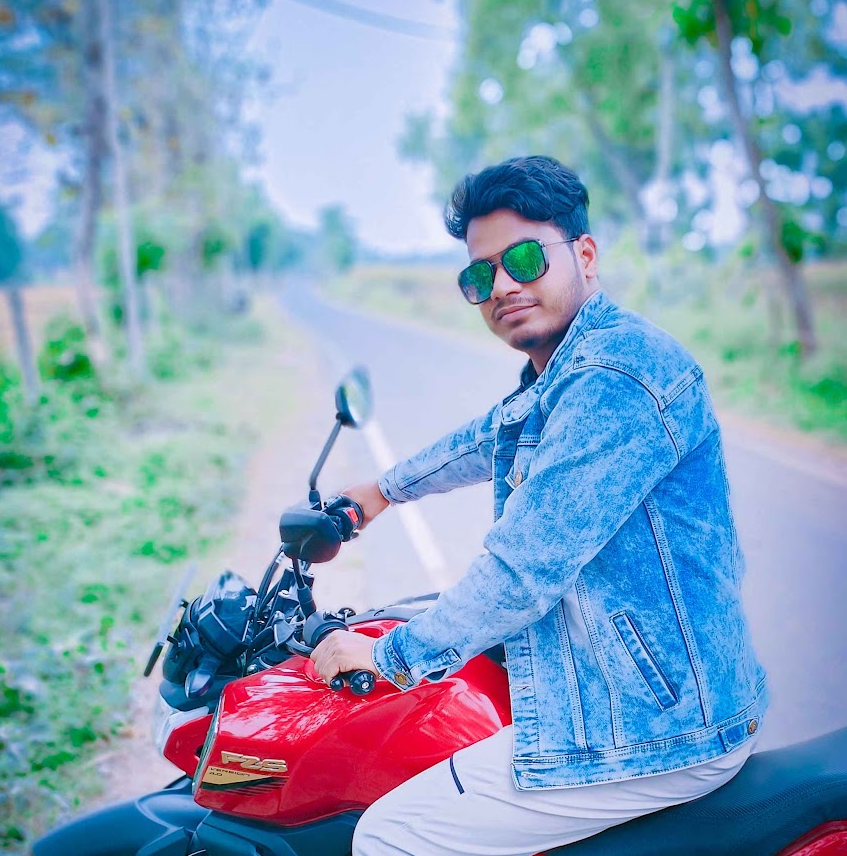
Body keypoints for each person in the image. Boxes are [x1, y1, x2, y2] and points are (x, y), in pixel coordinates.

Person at [311, 155, 767, 856]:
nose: (502, 286)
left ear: (584, 255)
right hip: (636, 694)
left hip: (655, 722)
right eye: (480, 275)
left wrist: (390, 655)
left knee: (390, 835)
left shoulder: (616, 374)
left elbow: (522, 570)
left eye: (525, 259)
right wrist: (383, 491)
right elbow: (492, 433)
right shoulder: (569, 368)